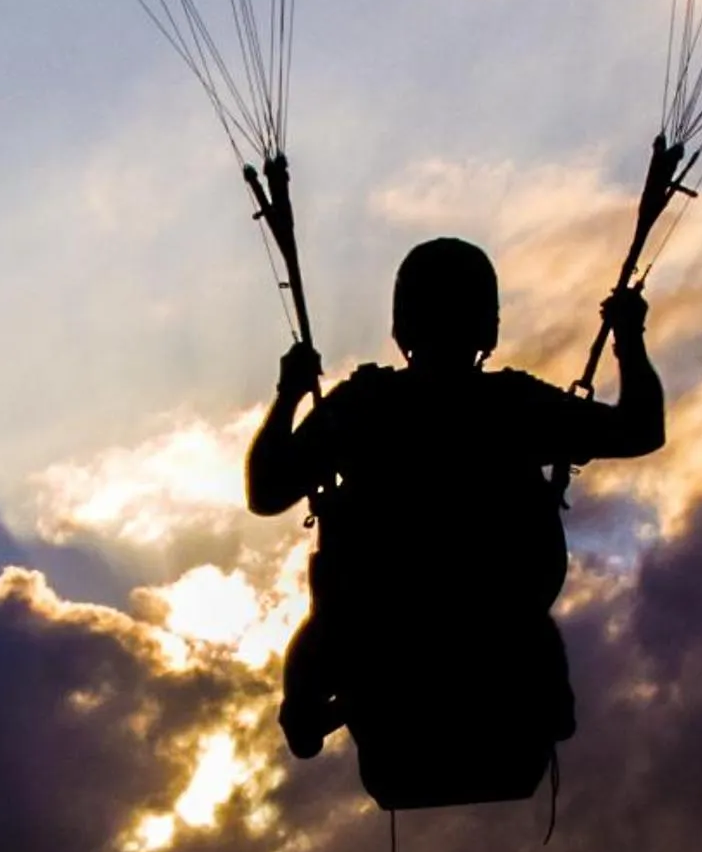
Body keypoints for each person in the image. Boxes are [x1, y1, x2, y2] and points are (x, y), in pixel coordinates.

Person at [247, 237, 665, 770]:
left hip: (380, 626)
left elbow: (266, 492)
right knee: (532, 638)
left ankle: (309, 712)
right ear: (488, 327)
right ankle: (538, 703)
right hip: (497, 622)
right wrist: (629, 339)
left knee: (320, 646)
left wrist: (289, 395)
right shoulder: (516, 406)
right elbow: (640, 429)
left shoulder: (363, 408)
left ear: (401, 328)